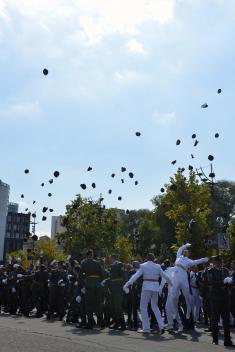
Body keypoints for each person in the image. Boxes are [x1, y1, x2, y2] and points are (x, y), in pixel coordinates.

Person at [123, 253, 172, 334]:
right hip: (155, 287)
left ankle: (146, 328)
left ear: (147, 258)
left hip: (146, 287)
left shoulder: (143, 266)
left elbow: (135, 276)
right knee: (155, 307)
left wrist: (127, 284)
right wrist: (171, 283)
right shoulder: (158, 266)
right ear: (153, 259)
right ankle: (161, 325)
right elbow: (165, 276)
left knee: (143, 307)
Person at [171, 243, 208, 323]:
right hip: (176, 277)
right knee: (174, 296)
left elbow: (197, 261)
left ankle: (188, 311)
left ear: (188, 254)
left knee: (187, 296)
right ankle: (175, 313)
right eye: (185, 251)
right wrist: (185, 245)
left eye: (186, 251)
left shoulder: (189, 261)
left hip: (183, 278)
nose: (185, 252)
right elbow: (179, 249)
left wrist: (203, 259)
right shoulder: (178, 257)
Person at [207, 256, 234, 346]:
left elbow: (230, 281)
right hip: (215, 298)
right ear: (214, 262)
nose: (220, 263)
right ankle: (215, 339)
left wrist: (229, 284)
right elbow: (211, 282)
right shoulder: (210, 271)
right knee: (215, 319)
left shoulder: (225, 270)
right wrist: (223, 283)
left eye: (221, 262)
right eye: (218, 262)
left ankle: (227, 341)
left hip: (225, 298)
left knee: (226, 320)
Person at [79, 249, 104, 329]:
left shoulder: (84, 263)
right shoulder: (97, 263)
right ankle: (101, 323)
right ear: (92, 255)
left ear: (86, 255)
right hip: (97, 285)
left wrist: (83, 284)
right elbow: (102, 274)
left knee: (89, 304)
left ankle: (90, 324)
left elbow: (80, 275)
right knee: (98, 304)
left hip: (89, 284)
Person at [108, 254, 126, 330]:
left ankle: (122, 325)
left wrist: (123, 286)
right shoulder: (112, 265)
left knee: (118, 307)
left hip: (118, 288)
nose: (109, 259)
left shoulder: (119, 264)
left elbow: (123, 276)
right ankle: (116, 323)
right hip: (113, 288)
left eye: (110, 258)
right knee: (114, 307)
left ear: (113, 258)